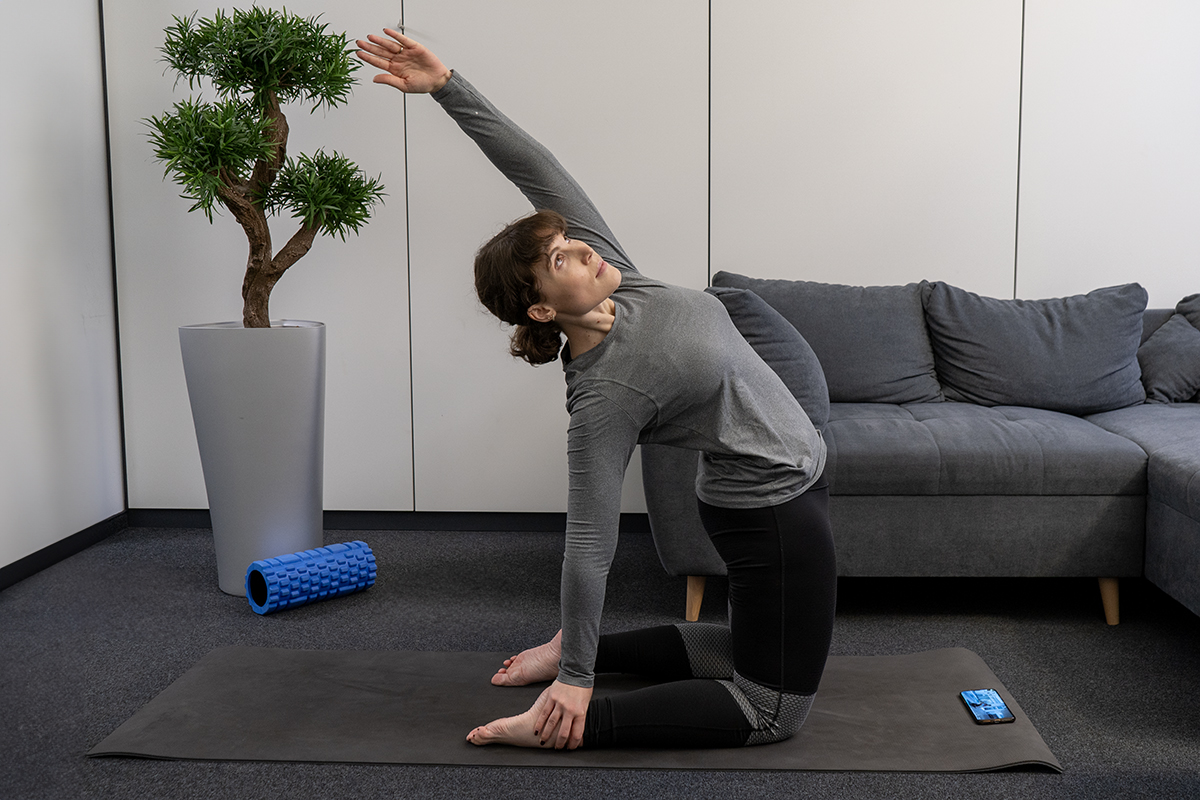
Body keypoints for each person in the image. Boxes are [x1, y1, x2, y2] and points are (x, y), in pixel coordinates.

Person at [356, 28, 836, 751]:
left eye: (571, 240)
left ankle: (576, 658)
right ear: (543, 308)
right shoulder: (604, 397)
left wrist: (448, 86)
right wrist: (576, 679)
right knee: (772, 710)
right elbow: (589, 545)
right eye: (561, 258)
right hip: (770, 510)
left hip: (790, 484)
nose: (584, 248)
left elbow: (536, 168)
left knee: (738, 649)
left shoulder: (622, 283)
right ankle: (569, 722)